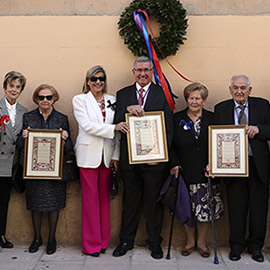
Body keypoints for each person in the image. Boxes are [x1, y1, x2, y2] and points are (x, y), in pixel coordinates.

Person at [113, 56, 173, 259]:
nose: (143, 73)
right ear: (133, 72)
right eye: (139, 70)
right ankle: (125, 241)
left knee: (153, 203)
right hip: (129, 160)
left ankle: (155, 242)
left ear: (151, 71)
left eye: (147, 70)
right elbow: (115, 121)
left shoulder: (162, 93)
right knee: (130, 202)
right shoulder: (123, 94)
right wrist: (126, 110)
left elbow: (168, 129)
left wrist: (161, 156)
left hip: (154, 162)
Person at [214, 75, 270, 263]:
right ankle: (236, 246)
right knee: (236, 209)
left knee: (258, 209)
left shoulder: (262, 105)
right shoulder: (221, 109)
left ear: (249, 90)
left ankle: (255, 247)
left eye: (243, 88)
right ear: (230, 89)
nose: (239, 91)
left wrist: (259, 129)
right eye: (236, 88)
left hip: (257, 165)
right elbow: (214, 138)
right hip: (233, 166)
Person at [72, 66, 127, 257]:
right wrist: (113, 128)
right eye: (94, 79)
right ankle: (91, 245)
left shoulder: (113, 100)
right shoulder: (80, 100)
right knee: (90, 201)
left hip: (107, 155)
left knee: (105, 200)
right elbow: (86, 126)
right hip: (88, 156)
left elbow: (120, 133)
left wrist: (116, 155)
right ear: (88, 81)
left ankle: (103, 242)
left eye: (101, 78)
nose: (98, 82)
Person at [17, 84, 73, 255]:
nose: (45, 100)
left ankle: (51, 239)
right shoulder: (28, 117)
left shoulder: (62, 118)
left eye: (48, 97)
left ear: (54, 99)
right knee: (35, 205)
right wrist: (24, 137)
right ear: (36, 99)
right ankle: (36, 238)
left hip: (55, 171)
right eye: (41, 97)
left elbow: (70, 147)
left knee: (53, 205)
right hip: (34, 170)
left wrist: (65, 139)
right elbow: (19, 145)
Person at [170, 82, 223, 258]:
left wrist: (214, 164)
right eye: (191, 98)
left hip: (207, 171)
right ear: (187, 99)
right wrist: (174, 164)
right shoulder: (177, 119)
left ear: (204, 100)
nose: (194, 101)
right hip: (185, 171)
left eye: (198, 98)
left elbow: (219, 143)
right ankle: (189, 242)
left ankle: (201, 243)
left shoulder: (212, 118)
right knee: (188, 209)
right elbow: (170, 145)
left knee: (205, 210)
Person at [0, 71, 27, 249]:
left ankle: (1, 235)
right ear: (5, 87)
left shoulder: (23, 112)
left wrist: (25, 136)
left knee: (3, 202)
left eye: (18, 87)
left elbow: (19, 141)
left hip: (10, 165)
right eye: (11, 86)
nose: (14, 90)